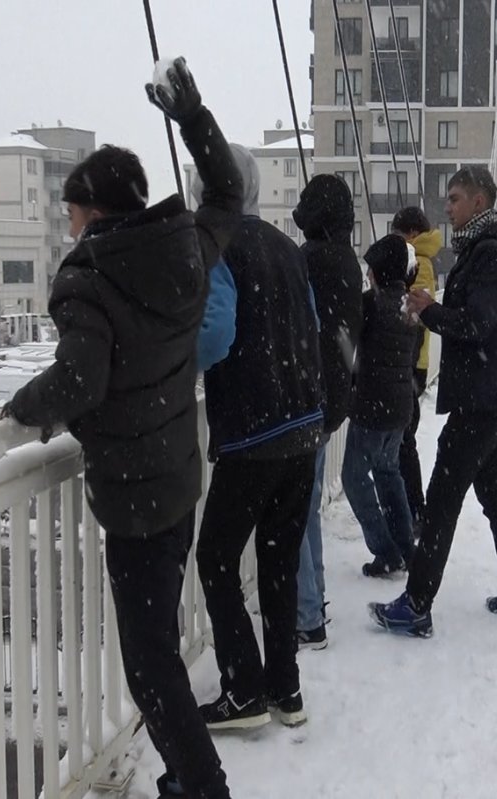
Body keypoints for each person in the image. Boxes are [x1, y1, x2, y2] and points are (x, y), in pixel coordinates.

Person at [3, 58, 240, 799]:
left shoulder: (88, 279)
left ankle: (203, 785)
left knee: (148, 664)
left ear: (95, 210)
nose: (68, 223)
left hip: (135, 496)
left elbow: (79, 381)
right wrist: (192, 116)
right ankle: (190, 777)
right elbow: (228, 190)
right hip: (176, 478)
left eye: (72, 210)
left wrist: (19, 407)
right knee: (159, 644)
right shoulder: (184, 251)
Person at [369, 165, 497, 638]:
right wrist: (437, 309)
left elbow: (477, 324)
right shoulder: (492, 249)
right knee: (491, 489)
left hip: (484, 397)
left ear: (479, 203)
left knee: (442, 499)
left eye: (456, 197)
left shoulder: (488, 254)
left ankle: (417, 604)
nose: (448, 207)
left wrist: (429, 311)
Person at [196, 143, 324, 731]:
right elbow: (314, 327)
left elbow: (216, 335)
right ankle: (285, 690)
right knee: (277, 560)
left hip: (253, 433)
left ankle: (243, 690)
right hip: (303, 428)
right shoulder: (286, 248)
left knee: (217, 557)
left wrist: (176, 365)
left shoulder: (220, 248)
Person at [291, 174, 364, 651]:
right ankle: (313, 601)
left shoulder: (309, 260)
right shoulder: (347, 262)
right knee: (307, 505)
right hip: (334, 398)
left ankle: (308, 614)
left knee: (293, 513)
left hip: (305, 398)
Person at [343, 235, 420, 576]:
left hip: (372, 407)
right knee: (389, 473)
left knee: (354, 477)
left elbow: (345, 348)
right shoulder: (410, 307)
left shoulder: (369, 304)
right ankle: (405, 546)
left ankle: (385, 550)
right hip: (401, 406)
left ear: (376, 272)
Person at [390, 207, 441, 531]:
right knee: (403, 440)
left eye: (396, 234)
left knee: (403, 441)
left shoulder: (416, 262)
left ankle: (415, 513)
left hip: (410, 363)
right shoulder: (423, 259)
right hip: (415, 363)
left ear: (409, 233)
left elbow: (411, 309)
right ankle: (414, 512)